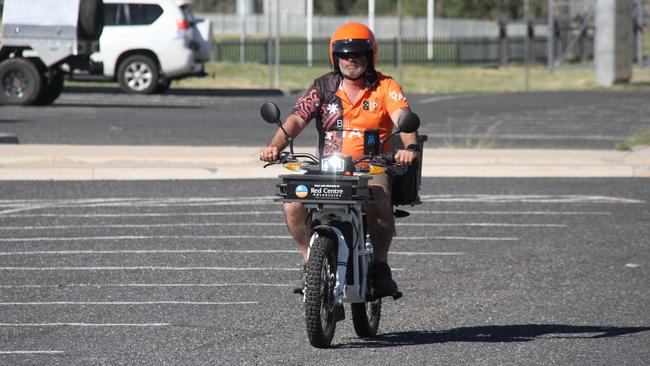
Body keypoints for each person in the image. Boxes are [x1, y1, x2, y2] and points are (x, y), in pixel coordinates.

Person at [260, 22, 420, 298]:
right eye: (345, 54)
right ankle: (309, 262)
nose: (351, 60)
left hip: (371, 166)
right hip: (328, 167)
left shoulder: (385, 86)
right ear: (335, 57)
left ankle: (381, 268)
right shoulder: (322, 86)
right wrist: (274, 146)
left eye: (358, 54)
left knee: (380, 196)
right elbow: (297, 118)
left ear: (370, 56)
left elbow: (402, 118)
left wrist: (410, 147)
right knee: (293, 200)